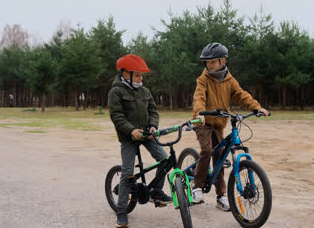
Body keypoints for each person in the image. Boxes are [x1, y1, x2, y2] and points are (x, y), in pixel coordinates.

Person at [191, 43, 269, 211]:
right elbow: (198, 97)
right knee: (206, 150)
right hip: (202, 122)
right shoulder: (203, 79)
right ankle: (197, 186)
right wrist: (199, 113)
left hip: (219, 124)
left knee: (220, 155)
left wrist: (256, 107)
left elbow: (241, 95)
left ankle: (221, 195)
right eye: (207, 62)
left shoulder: (229, 80)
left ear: (223, 61)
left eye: (212, 62)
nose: (209, 65)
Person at [108, 54, 172, 228]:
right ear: (125, 74)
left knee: (166, 160)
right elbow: (116, 115)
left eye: (141, 75)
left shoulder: (145, 91)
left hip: (147, 134)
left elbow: (153, 111)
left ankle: (156, 192)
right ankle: (122, 210)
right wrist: (130, 130)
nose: (140, 78)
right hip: (128, 136)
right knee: (128, 171)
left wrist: (152, 125)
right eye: (137, 75)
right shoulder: (116, 91)